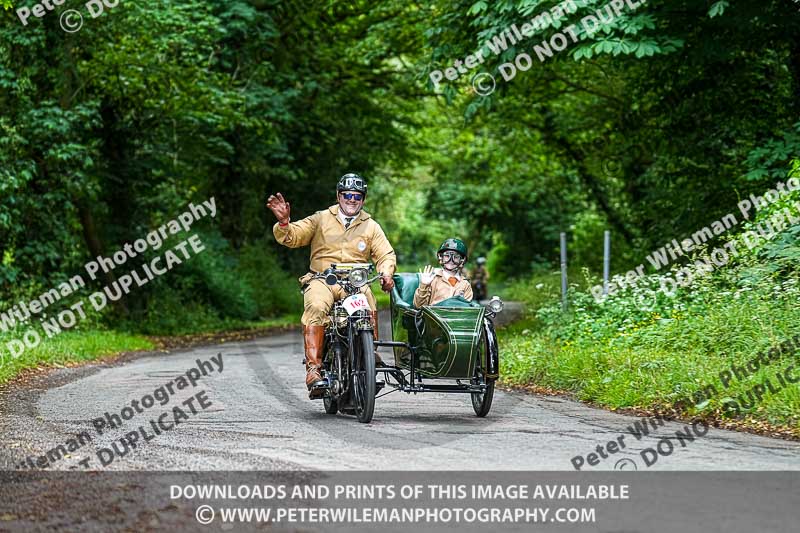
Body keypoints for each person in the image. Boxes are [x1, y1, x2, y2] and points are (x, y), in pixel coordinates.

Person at [266, 173, 396, 395]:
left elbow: (386, 254)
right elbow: (294, 236)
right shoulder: (321, 218)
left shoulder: (371, 226)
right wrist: (284, 223)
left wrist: (386, 273)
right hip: (323, 279)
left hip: (355, 282)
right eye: (347, 194)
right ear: (339, 196)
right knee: (316, 306)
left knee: (367, 301)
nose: (352, 199)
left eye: (357, 195)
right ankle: (314, 370)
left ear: (363, 199)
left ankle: (369, 355)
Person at [413, 238, 473, 307]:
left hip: (456, 317)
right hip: (434, 316)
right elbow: (418, 306)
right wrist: (424, 285)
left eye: (456, 257)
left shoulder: (465, 284)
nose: (451, 260)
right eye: (447, 256)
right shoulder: (433, 279)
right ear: (441, 257)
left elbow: (467, 310)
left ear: (462, 260)